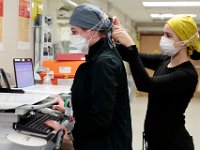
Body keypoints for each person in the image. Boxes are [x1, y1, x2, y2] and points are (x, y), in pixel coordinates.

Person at [45, 3, 132, 150]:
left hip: (105, 144)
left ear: (91, 32)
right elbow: (96, 102)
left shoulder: (104, 63)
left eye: (74, 31)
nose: (72, 37)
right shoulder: (101, 56)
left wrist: (70, 134)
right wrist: (68, 111)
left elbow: (100, 119)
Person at [112, 15, 200, 150]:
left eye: (168, 35)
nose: (163, 39)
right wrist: (115, 34)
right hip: (155, 141)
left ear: (184, 41)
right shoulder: (165, 60)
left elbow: (145, 84)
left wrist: (131, 46)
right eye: (163, 34)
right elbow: (131, 55)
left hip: (173, 144)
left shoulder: (187, 75)